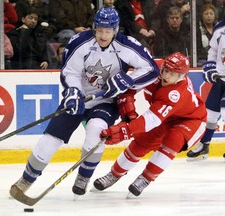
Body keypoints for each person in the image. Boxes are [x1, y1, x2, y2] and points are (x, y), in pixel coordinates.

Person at [9, 7, 159, 203]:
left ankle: (84, 176)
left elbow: (151, 69)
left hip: (106, 101)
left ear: (115, 30)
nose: (103, 35)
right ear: (94, 27)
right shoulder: (80, 42)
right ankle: (25, 180)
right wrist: (72, 92)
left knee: (96, 130)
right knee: (51, 138)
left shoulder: (127, 45)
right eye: (100, 30)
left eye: (108, 31)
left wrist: (126, 80)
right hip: (79, 97)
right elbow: (70, 72)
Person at [93, 52, 207, 197]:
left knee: (173, 140)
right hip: (166, 117)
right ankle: (114, 174)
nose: (165, 76)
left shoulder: (176, 93)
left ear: (181, 77)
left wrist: (125, 130)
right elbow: (132, 83)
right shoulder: (154, 67)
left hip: (191, 119)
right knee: (141, 140)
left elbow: (150, 120)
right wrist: (127, 104)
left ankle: (145, 178)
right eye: (165, 70)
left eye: (171, 74)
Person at [187, 17, 225, 160]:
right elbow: (213, 50)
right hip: (221, 77)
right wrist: (210, 66)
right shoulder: (220, 28)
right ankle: (204, 145)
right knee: (210, 114)